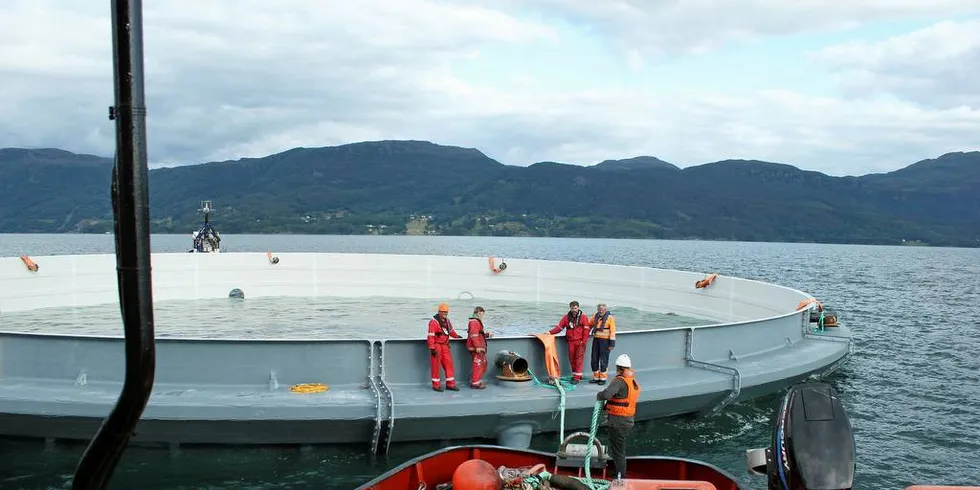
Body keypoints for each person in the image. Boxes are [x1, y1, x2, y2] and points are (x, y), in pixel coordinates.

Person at [596, 353, 640, 480]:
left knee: (618, 451)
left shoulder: (620, 381)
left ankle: (620, 477)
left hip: (619, 422)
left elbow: (606, 395)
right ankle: (618, 473)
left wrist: (599, 395)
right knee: (618, 448)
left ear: (618, 368)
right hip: (627, 420)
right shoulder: (631, 381)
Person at [545, 300, 592, 383]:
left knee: (579, 359)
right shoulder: (566, 317)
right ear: (570, 308)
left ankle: (577, 378)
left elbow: (586, 330)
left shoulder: (583, 317)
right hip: (571, 341)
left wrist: (584, 341)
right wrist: (550, 332)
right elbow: (559, 328)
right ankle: (575, 375)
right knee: (572, 359)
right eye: (572, 308)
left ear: (578, 308)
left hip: (580, 341)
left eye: (575, 308)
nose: (574, 310)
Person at [427, 302, 462, 391]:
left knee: (449, 365)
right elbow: (430, 336)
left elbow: (451, 331)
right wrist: (432, 348)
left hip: (445, 346)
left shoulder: (447, 321)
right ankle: (436, 385)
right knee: (436, 366)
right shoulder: (433, 322)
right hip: (437, 346)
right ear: (439, 312)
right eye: (443, 312)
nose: (445, 313)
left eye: (446, 312)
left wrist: (456, 336)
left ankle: (450, 384)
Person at [466, 306, 494, 389]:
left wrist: (487, 335)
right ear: (478, 313)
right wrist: (477, 347)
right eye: (482, 314)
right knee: (478, 364)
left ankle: (476, 380)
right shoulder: (474, 322)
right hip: (476, 348)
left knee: (483, 364)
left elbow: (478, 334)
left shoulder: (476, 322)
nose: (482, 316)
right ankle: (475, 383)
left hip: (479, 347)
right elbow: (474, 335)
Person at [590, 303, 616, 385]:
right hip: (596, 340)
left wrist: (612, 344)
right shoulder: (595, 316)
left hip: (605, 341)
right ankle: (596, 377)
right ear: (597, 309)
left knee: (603, 360)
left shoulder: (610, 318)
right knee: (594, 359)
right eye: (599, 309)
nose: (601, 311)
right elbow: (589, 324)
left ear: (605, 310)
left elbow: (612, 331)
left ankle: (603, 378)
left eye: (603, 309)